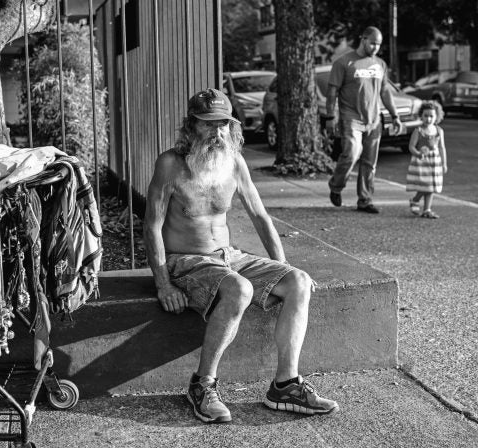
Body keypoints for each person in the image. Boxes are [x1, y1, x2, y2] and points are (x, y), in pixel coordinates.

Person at [143, 87, 339, 424]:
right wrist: (163, 284)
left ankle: (285, 385)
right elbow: (151, 226)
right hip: (187, 260)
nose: (217, 133)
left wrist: (283, 266)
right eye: (208, 124)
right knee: (240, 289)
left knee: (299, 282)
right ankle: (202, 385)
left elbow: (261, 217)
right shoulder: (170, 164)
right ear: (191, 126)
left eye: (223, 124)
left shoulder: (233, 162)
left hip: (228, 256)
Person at [324, 26, 403, 213]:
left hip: (374, 120)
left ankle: (365, 200)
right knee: (351, 153)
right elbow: (332, 91)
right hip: (351, 118)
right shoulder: (344, 62)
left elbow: (385, 92)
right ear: (363, 39)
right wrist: (330, 116)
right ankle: (336, 185)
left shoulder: (380, 64)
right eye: (373, 43)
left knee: (370, 162)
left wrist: (395, 116)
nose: (375, 47)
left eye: (379, 44)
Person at [406, 101, 448, 219]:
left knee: (431, 186)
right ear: (421, 115)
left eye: (431, 116)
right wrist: (418, 154)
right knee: (425, 185)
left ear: (437, 117)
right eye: (426, 116)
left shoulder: (439, 131)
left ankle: (427, 209)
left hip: (435, 162)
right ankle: (415, 200)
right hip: (422, 163)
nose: (428, 119)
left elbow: (441, 147)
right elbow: (411, 146)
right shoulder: (418, 131)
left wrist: (444, 163)